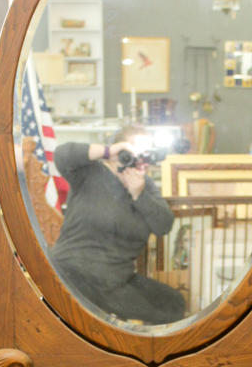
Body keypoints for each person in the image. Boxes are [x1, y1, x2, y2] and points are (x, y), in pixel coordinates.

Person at [50, 127, 186, 325]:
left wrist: (139, 194)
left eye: (145, 156)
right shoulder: (90, 173)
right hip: (74, 273)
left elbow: (164, 225)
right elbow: (62, 154)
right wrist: (108, 150)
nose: (141, 163)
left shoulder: (145, 186)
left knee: (173, 303)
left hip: (115, 280)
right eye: (132, 155)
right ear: (116, 155)